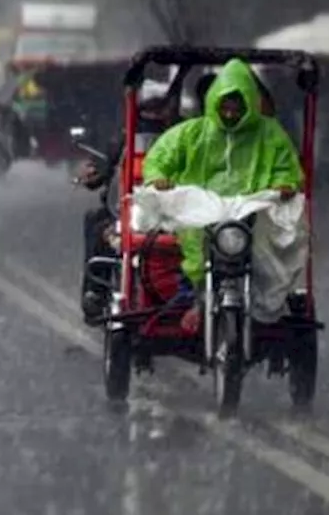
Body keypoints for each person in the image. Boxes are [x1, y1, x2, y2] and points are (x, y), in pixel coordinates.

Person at [142, 57, 304, 333]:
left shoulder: (270, 134)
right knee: (189, 248)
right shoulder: (193, 133)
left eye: (236, 107)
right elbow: (161, 156)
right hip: (204, 213)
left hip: (251, 211)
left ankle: (266, 303)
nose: (230, 113)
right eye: (225, 106)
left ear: (250, 104)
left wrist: (285, 184)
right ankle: (195, 298)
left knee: (280, 244)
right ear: (214, 102)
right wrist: (159, 178)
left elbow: (286, 167)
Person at [77, 92, 181, 325]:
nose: (154, 115)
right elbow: (104, 165)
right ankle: (96, 291)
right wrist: (94, 173)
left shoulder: (185, 135)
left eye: (159, 109)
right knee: (97, 222)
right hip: (130, 206)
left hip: (174, 210)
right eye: (149, 109)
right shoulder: (125, 139)